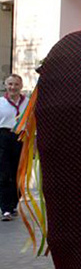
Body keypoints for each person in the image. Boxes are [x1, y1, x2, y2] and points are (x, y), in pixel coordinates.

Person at [0, 74, 27, 221]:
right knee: (4, 174)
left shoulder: (28, 103)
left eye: (16, 84)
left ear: (21, 86)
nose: (13, 87)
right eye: (10, 84)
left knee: (19, 173)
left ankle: (13, 204)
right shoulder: (0, 103)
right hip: (3, 137)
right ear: (6, 86)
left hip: (21, 139)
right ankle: (5, 209)